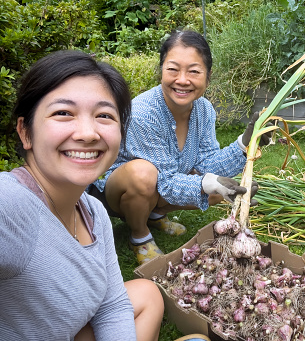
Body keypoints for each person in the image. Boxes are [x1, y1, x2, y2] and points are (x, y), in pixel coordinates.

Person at [0, 50, 167, 340]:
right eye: (63, 113)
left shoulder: (93, 212)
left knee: (147, 293)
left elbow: (112, 305)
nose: (88, 133)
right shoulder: (13, 205)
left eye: (104, 115)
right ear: (26, 132)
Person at [89, 30, 269, 265]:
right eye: (173, 69)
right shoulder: (144, 113)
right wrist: (208, 183)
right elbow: (164, 181)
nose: (182, 80)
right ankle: (139, 235)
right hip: (121, 193)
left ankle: (155, 216)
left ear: (208, 76)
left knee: (216, 190)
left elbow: (207, 163)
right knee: (144, 173)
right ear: (161, 70)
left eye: (194, 71)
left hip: (160, 187)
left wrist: (244, 145)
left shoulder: (204, 110)